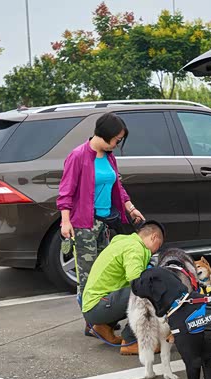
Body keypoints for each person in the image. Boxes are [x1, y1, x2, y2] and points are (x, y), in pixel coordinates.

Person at [57, 113, 145, 335]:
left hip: (105, 223)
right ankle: (91, 322)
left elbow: (118, 187)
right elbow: (66, 192)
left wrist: (130, 208)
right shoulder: (78, 156)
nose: (117, 144)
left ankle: (103, 318)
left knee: (107, 273)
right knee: (87, 276)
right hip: (84, 225)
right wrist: (65, 221)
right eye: (116, 139)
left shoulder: (109, 157)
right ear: (105, 134)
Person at [81, 221, 164, 345]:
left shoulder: (124, 241)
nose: (156, 250)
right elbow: (137, 283)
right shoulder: (135, 248)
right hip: (97, 307)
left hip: (92, 305)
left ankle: (103, 327)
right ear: (154, 237)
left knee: (130, 290)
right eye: (159, 245)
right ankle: (132, 341)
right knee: (148, 292)